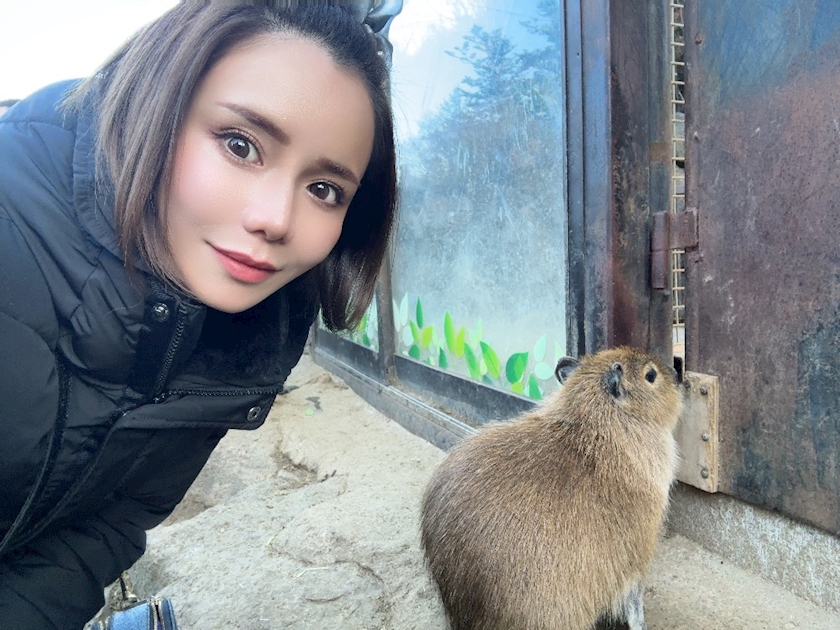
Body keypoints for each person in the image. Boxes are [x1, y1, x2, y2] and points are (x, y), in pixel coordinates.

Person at [0, 2, 398, 628]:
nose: (276, 219)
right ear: (152, 104)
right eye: (241, 145)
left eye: (324, 189)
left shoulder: (253, 326)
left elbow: (102, 528)